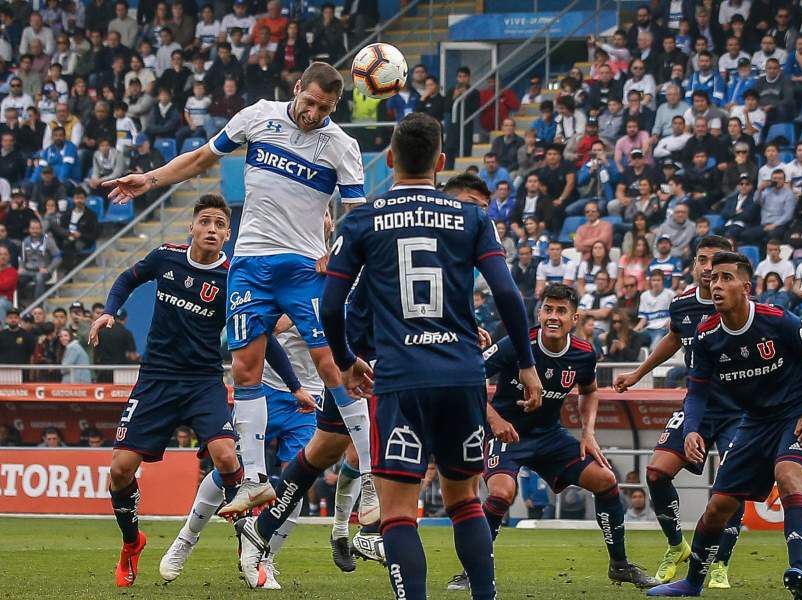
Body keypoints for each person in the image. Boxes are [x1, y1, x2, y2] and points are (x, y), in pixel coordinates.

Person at [232, 113, 542, 597]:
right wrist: (524, 363)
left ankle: (270, 529)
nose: (477, 204)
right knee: (456, 496)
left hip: (385, 370)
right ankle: (273, 529)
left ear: (390, 159)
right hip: (434, 370)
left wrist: (345, 357)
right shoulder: (471, 220)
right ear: (440, 163)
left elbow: (338, 303)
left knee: (353, 470)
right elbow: (507, 294)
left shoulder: (364, 220)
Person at [102, 62, 372, 518]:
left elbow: (358, 216)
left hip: (303, 267)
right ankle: (253, 481)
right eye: (308, 102)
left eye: (323, 108)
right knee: (245, 370)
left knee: (332, 365)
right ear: (297, 87)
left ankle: (369, 478)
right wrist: (148, 180)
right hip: (248, 265)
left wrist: (338, 253)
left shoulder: (342, 146)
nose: (312, 113)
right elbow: (201, 159)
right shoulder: (258, 116)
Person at [86, 195, 294, 587]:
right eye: (206, 222)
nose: (212, 229)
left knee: (227, 457)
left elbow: (262, 335)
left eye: (220, 224)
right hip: (157, 379)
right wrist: (109, 310)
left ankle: (247, 547)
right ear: (192, 227)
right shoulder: (166, 257)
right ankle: (132, 544)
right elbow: (128, 278)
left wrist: (296, 386)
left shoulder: (234, 278)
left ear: (228, 235)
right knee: (119, 470)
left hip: (203, 382)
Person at [447, 284, 656, 592]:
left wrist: (588, 433)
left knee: (606, 480)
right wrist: (495, 419)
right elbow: (470, 378)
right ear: (540, 313)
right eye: (548, 310)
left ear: (575, 318)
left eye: (561, 311)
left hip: (549, 437)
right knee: (502, 493)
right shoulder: (516, 344)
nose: (553, 317)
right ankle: (472, 571)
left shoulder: (584, 353)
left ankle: (620, 565)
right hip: (508, 434)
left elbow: (589, 391)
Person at [647, 251, 802, 599]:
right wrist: (691, 431)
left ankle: (799, 574)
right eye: (714, 278)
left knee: (788, 475)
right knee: (718, 507)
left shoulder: (777, 320)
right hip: (754, 422)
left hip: (796, 416)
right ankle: (692, 583)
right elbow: (697, 391)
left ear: (746, 287)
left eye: (726, 278)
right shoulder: (706, 336)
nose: (717, 285)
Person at [159, 322, 352, 588]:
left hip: (311, 395)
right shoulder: (290, 284)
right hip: (266, 388)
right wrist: (303, 309)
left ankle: (265, 558)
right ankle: (186, 539)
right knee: (230, 468)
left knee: (298, 479)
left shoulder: (341, 287)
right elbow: (264, 327)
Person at [614, 236, 744, 587]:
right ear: (693, 264)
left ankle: (720, 563)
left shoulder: (740, 305)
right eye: (702, 260)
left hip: (737, 407)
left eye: (715, 262)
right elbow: (674, 337)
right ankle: (677, 546)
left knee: (733, 481)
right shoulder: (683, 304)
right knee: (656, 472)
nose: (707, 268)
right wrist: (638, 374)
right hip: (697, 404)